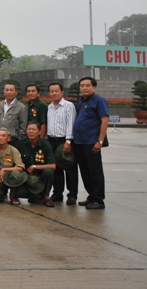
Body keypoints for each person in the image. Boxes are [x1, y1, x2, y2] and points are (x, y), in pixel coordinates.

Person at [73, 76, 109, 210]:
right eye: (82, 85)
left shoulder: (99, 101)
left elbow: (104, 121)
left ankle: (99, 199)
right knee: (85, 171)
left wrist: (100, 141)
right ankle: (91, 196)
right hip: (79, 142)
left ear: (94, 87)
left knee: (95, 171)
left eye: (87, 85)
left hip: (91, 142)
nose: (84, 88)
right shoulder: (81, 100)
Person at [46, 82, 78, 205]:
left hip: (64, 140)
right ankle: (57, 193)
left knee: (69, 168)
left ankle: (72, 195)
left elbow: (71, 123)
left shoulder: (68, 106)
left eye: (56, 91)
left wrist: (68, 141)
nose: (54, 93)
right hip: (51, 140)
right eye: (51, 91)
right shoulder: (49, 107)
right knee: (56, 169)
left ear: (62, 92)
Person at [15, 122, 55, 207]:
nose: (31, 132)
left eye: (34, 129)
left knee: (49, 172)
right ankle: (34, 195)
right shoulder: (20, 143)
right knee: (19, 193)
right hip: (26, 176)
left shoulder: (46, 145)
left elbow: (53, 166)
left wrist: (35, 167)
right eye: (29, 129)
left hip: (40, 175)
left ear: (40, 132)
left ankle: (46, 197)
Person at [0, 128, 25, 205]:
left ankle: (13, 196)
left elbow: (20, 167)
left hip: (9, 177)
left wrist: (4, 170)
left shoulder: (13, 150)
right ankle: (2, 192)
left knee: (16, 174)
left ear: (8, 138)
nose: (0, 137)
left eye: (3, 136)